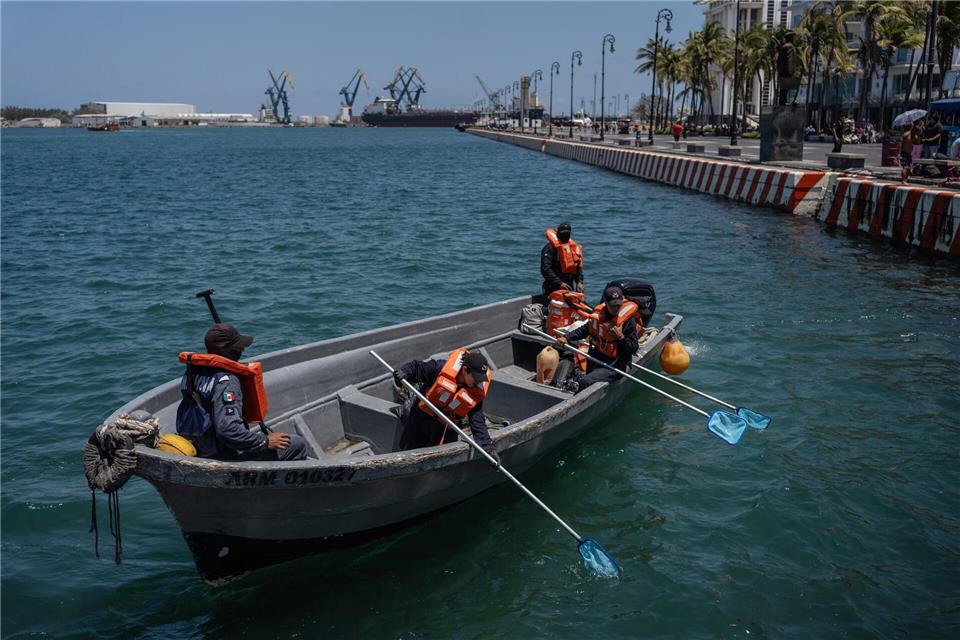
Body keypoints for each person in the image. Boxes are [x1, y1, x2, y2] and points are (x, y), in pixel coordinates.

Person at [175, 323, 308, 461]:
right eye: (237, 346)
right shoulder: (227, 382)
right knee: (297, 444)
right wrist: (265, 441)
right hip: (223, 456)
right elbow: (228, 431)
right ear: (225, 349)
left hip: (200, 447)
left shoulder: (192, 373)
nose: (243, 349)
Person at [392, 349, 499, 465]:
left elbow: (477, 420)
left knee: (442, 456)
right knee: (409, 449)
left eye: (480, 379)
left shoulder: (474, 390)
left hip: (446, 426)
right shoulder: (439, 367)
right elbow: (416, 367)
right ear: (465, 370)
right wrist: (403, 372)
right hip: (422, 418)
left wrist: (489, 448)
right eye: (476, 377)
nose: (478, 382)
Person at [554, 286, 639, 393]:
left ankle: (578, 400)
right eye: (613, 306)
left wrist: (620, 336)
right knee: (580, 374)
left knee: (585, 381)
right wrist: (566, 338)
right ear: (606, 303)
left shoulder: (628, 322)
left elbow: (634, 348)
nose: (616, 308)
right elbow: (584, 330)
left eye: (619, 305)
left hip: (614, 366)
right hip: (596, 358)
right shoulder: (598, 316)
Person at [541, 223, 584, 294]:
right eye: (563, 234)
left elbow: (577, 266)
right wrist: (560, 283)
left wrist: (579, 282)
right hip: (553, 286)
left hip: (568, 285)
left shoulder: (572, 248)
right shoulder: (549, 249)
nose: (565, 236)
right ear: (558, 234)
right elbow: (545, 269)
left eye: (567, 234)